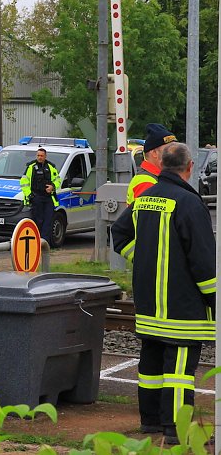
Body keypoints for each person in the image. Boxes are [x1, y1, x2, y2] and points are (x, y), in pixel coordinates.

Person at [111, 143, 216, 444]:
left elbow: (119, 234)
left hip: (148, 306)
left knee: (152, 366)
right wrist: (215, 301)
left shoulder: (145, 199)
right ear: (189, 167)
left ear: (162, 166)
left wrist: (142, 257)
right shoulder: (189, 203)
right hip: (181, 309)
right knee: (179, 371)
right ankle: (175, 430)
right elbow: (203, 263)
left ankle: (151, 422)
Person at [127, 123, 176, 205]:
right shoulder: (146, 182)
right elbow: (148, 216)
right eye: (169, 149)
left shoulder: (155, 178)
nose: (175, 154)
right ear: (154, 153)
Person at [20, 148, 61, 244]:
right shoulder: (31, 166)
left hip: (48, 198)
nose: (40, 157)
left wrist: (53, 187)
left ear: (45, 156)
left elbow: (58, 180)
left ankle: (44, 243)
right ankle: (36, 242)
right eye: (38, 155)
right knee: (38, 221)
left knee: (48, 221)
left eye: (42, 156)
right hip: (36, 197)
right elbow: (24, 181)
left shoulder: (51, 167)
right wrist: (29, 195)